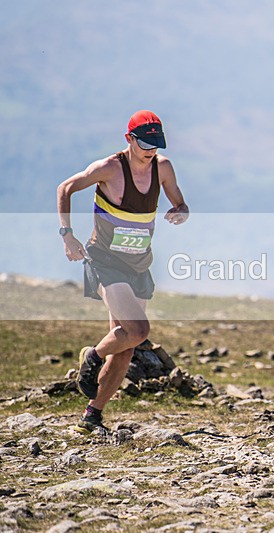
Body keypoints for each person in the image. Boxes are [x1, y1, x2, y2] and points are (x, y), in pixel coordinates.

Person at [56, 110, 189, 432]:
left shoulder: (163, 168)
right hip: (106, 261)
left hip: (139, 264)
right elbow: (65, 188)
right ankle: (93, 355)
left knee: (126, 346)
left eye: (156, 144)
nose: (151, 150)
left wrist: (181, 212)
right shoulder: (109, 168)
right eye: (145, 143)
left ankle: (92, 415)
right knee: (139, 330)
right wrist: (67, 235)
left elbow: (180, 203)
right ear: (129, 139)